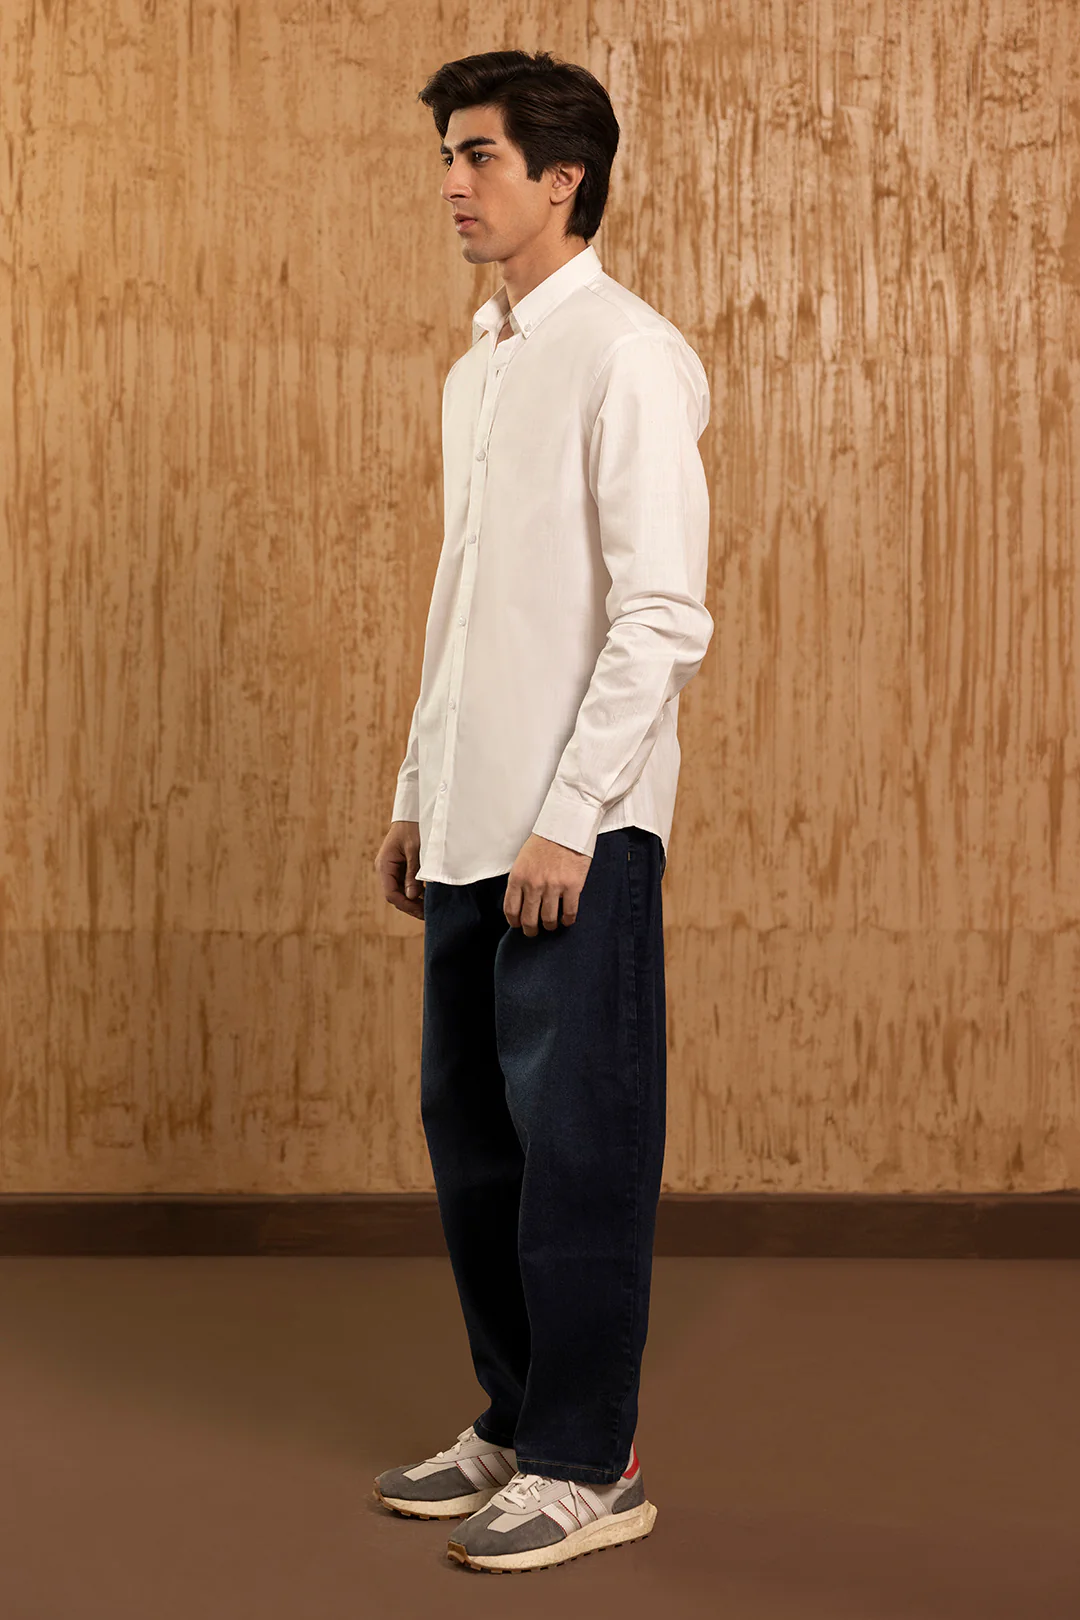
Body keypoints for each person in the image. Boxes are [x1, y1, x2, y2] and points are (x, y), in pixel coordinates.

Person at [372, 49, 713, 1575]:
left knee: (578, 1149)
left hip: (575, 836)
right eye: (448, 156)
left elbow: (662, 612)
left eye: (481, 156)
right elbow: (466, 605)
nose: (454, 183)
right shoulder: (480, 367)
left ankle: (591, 1461)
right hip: (470, 822)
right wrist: (415, 790)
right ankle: (515, 1418)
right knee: (475, 1139)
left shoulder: (627, 354)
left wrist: (573, 813)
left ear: (563, 178)